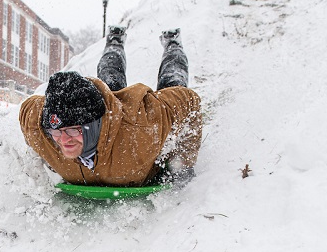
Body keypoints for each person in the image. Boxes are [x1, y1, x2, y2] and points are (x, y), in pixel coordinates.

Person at [19, 27, 202, 187]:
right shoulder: (41, 128)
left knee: (172, 81)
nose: (64, 140)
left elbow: (189, 100)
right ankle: (114, 41)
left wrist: (181, 164)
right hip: (99, 110)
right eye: (57, 131)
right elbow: (27, 109)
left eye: (74, 130)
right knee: (110, 78)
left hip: (122, 122)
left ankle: (173, 44)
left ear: (94, 124)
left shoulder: (142, 125)